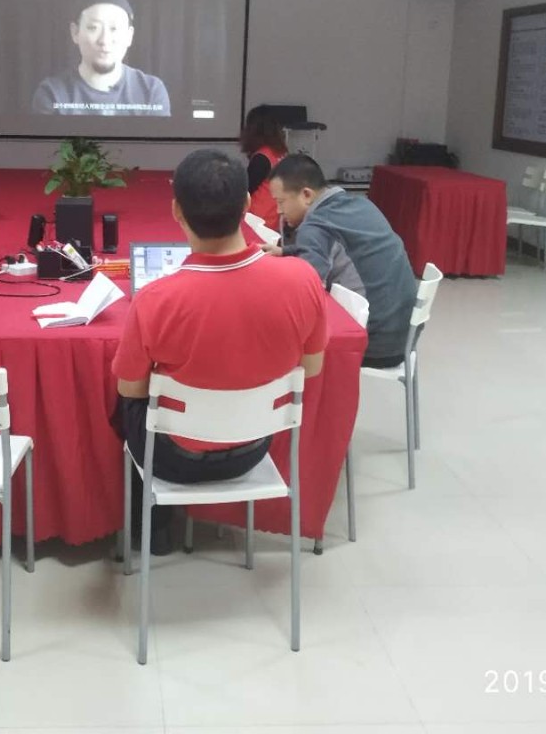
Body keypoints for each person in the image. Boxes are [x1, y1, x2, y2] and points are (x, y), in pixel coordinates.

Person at [112, 149, 327, 555]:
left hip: (172, 456)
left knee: (125, 401)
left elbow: (130, 390)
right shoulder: (303, 279)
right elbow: (312, 368)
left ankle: (150, 532)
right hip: (253, 447)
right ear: (246, 204)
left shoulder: (155, 299)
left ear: (176, 211)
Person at [265, 154, 417, 369]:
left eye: (281, 202)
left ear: (306, 194)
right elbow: (336, 249)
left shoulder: (315, 225)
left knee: (280, 336)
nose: (279, 211)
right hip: (404, 337)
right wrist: (286, 251)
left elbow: (307, 290)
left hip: (371, 343)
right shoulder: (362, 205)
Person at [32, 0, 171, 118]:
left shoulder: (151, 91)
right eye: (93, 28)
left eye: (114, 28)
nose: (104, 40)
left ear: (129, 36)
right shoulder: (52, 94)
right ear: (75, 33)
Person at [239, 104, 287, 227]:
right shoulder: (281, 154)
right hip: (276, 219)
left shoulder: (262, 158)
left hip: (256, 220)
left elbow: (245, 190)